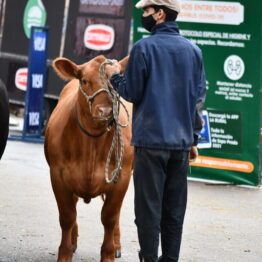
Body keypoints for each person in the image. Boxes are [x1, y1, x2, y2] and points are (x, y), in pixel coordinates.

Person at [106, 0, 206, 261]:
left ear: (160, 13)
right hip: (181, 145)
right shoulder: (194, 51)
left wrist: (114, 75)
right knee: (174, 210)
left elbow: (131, 91)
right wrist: (193, 138)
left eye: (147, 11)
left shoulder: (143, 47)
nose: (144, 16)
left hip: (151, 143)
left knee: (148, 210)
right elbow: (198, 99)